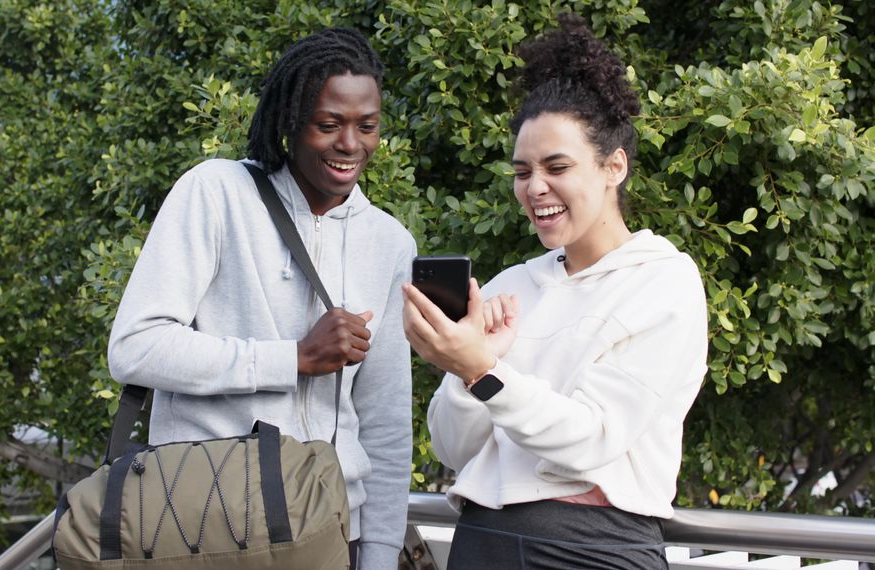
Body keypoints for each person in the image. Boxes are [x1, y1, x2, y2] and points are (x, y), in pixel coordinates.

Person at [402, 14, 708, 569]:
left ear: (614, 166)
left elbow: (592, 439)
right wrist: (464, 371)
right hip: (482, 542)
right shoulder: (513, 285)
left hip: (592, 548)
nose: (534, 187)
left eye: (556, 166)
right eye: (522, 171)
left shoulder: (663, 281)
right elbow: (452, 447)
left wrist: (481, 371)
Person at [107, 27, 416, 570]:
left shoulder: (389, 242)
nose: (351, 144)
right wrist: (292, 358)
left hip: (330, 532)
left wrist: (382, 555)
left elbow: (385, 420)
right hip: (206, 524)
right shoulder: (216, 193)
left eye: (367, 126)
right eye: (329, 124)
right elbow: (136, 347)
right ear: (291, 121)